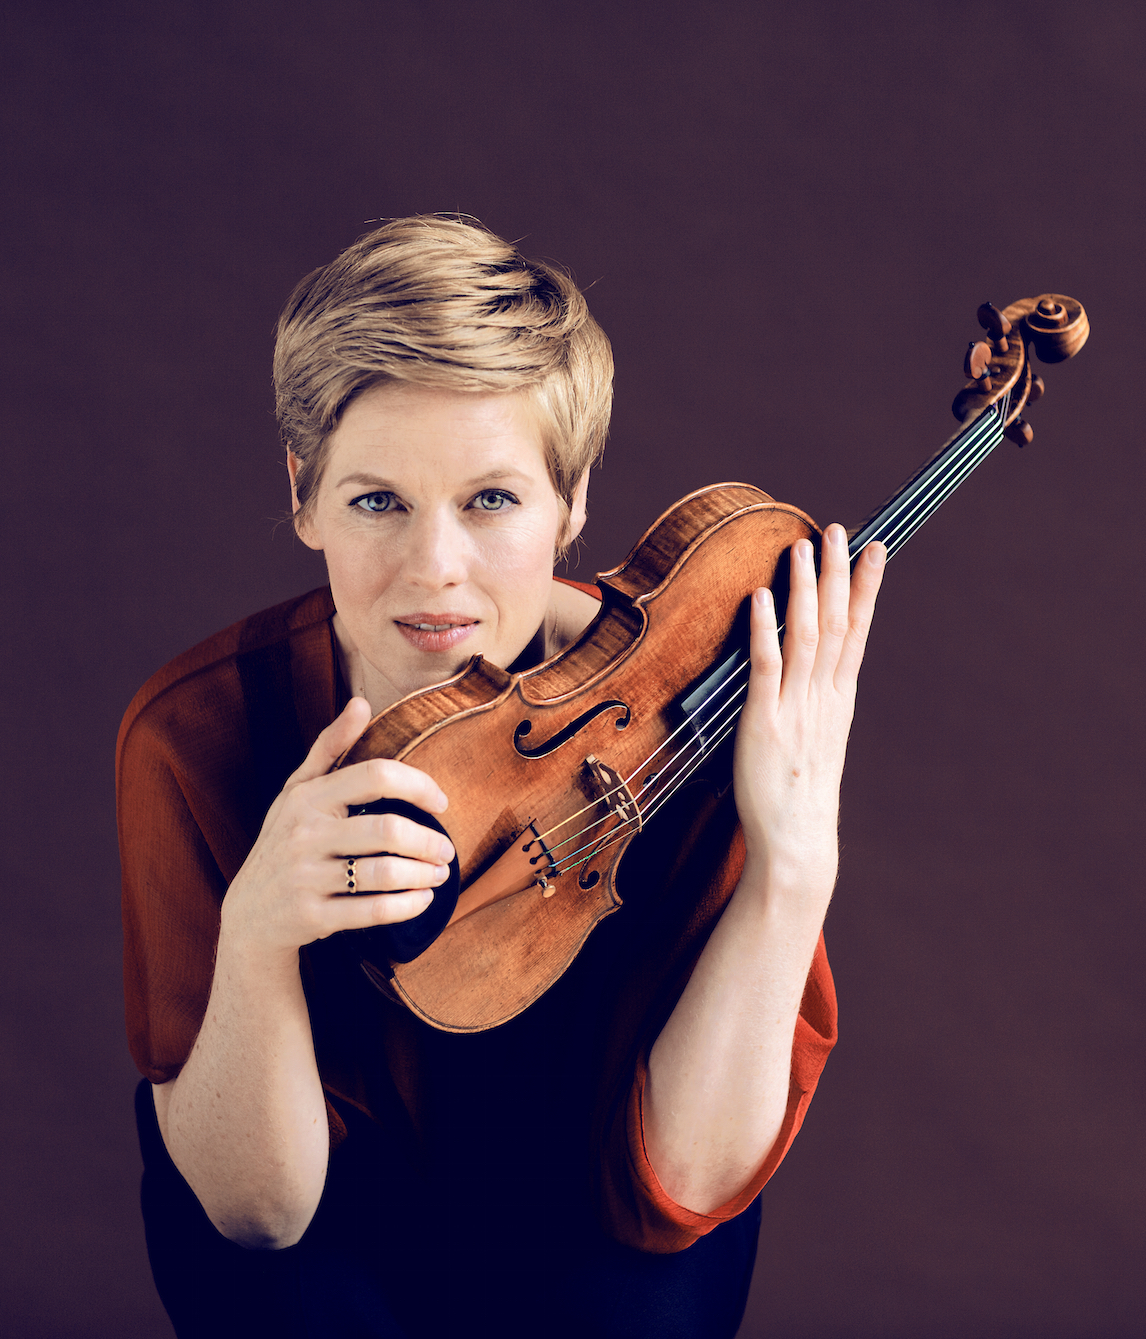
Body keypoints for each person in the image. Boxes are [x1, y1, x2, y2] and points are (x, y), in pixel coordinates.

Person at [115, 215, 885, 1338]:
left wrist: (793, 864)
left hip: (597, 1197)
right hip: (325, 1218)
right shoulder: (196, 734)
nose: (436, 571)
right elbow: (258, 1212)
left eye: (492, 500)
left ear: (572, 502)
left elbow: (689, 1180)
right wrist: (258, 937)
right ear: (302, 494)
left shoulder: (698, 705)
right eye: (378, 499)